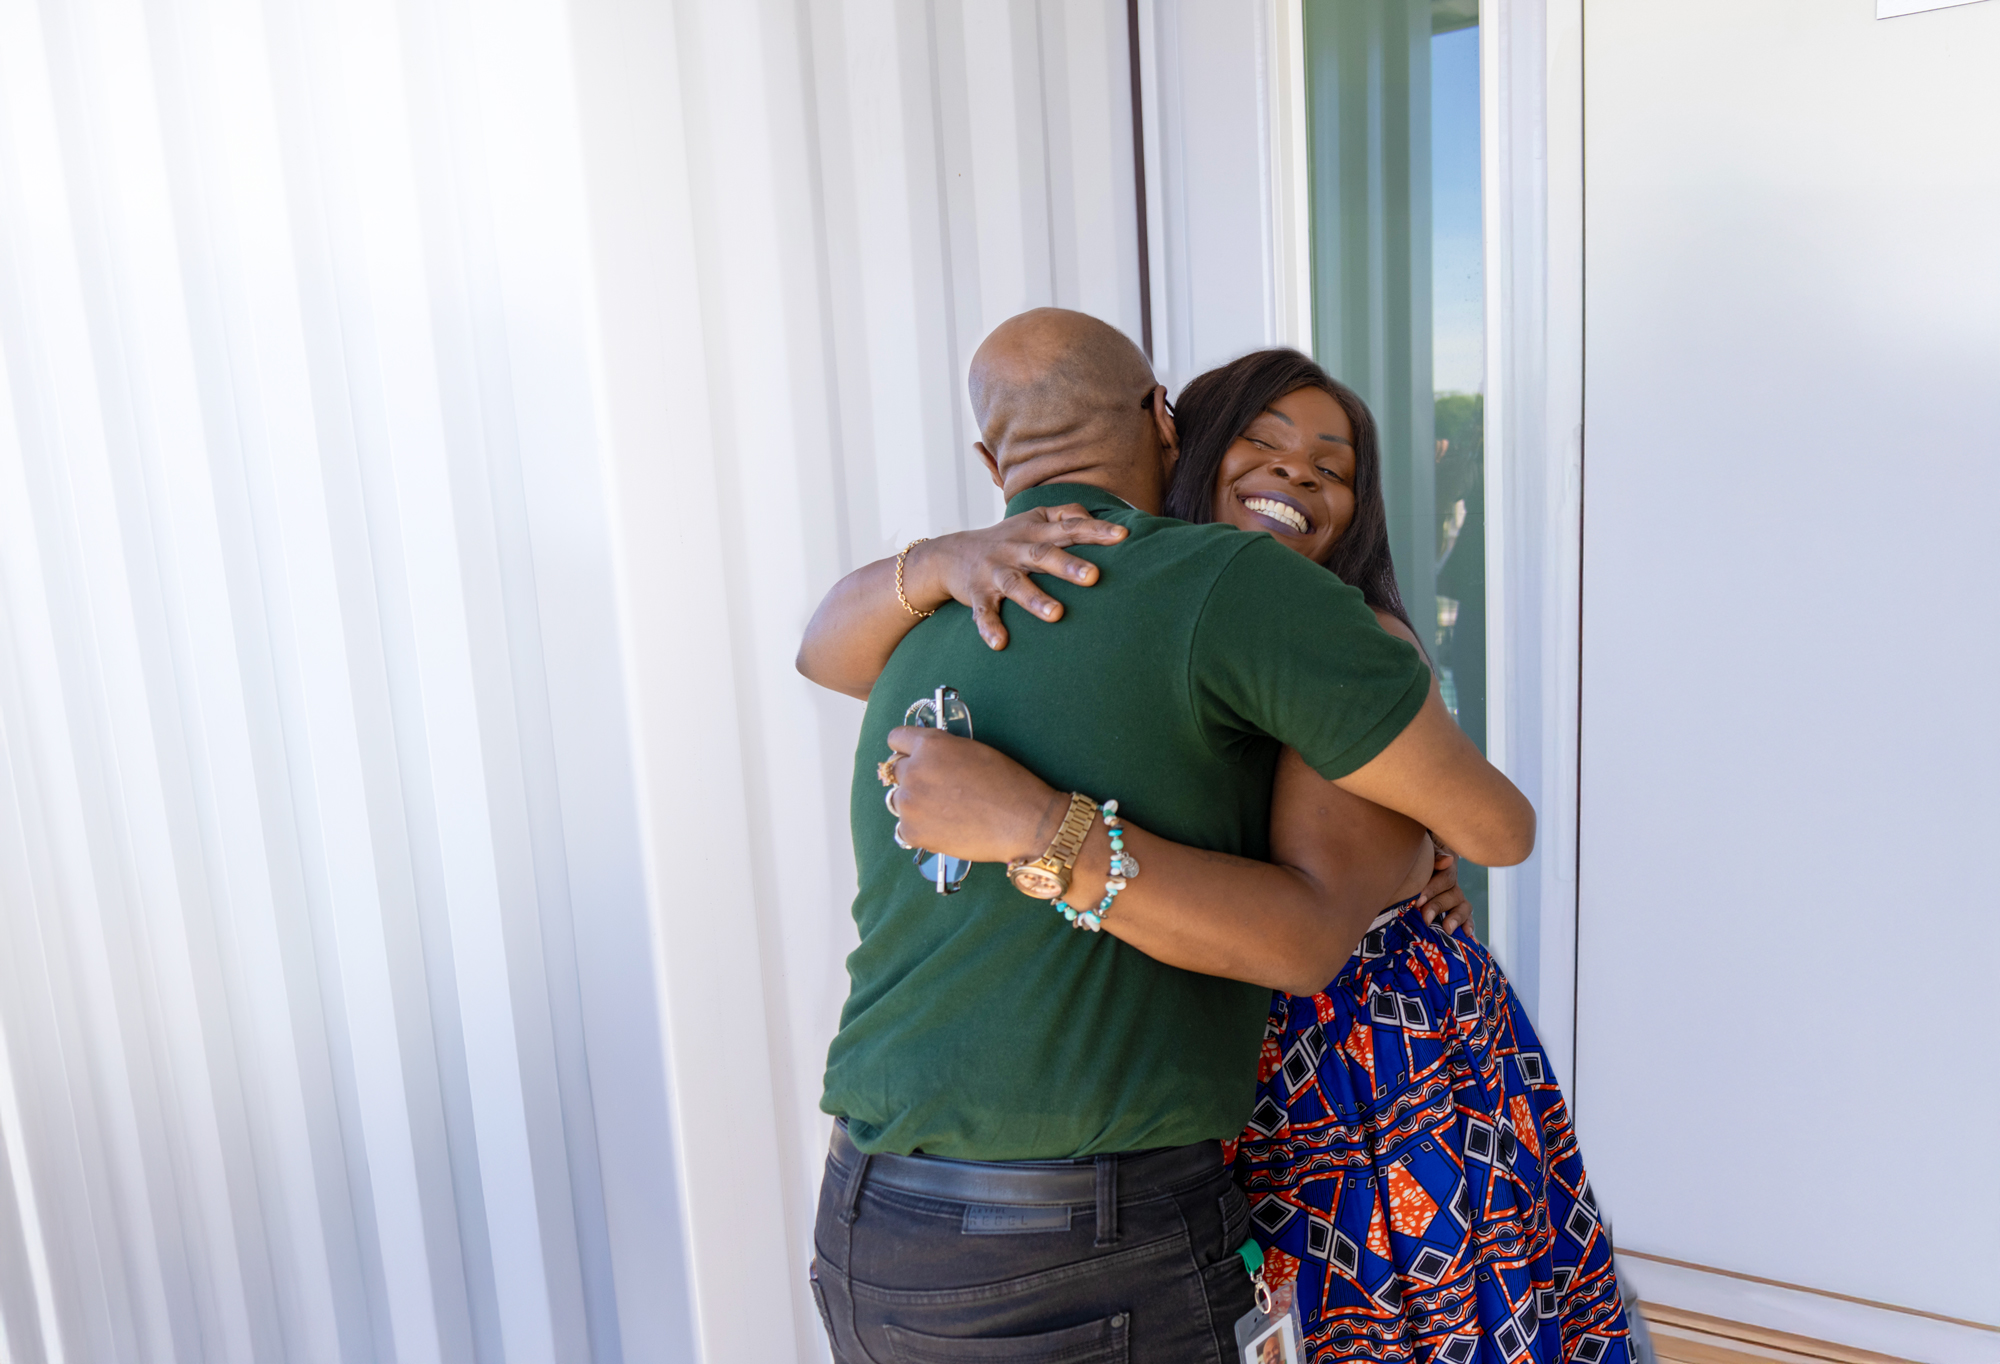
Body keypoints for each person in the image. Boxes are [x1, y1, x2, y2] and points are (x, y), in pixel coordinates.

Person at [800, 344, 1641, 1363]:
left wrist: (1412, 838)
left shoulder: (1320, 626)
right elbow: (822, 650)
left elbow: (1466, 839)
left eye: (1331, 468)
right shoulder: (1087, 595)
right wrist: (933, 560)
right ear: (1174, 437)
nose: (1296, 474)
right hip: (1212, 1079)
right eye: (1264, 443)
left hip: (1362, 1067)